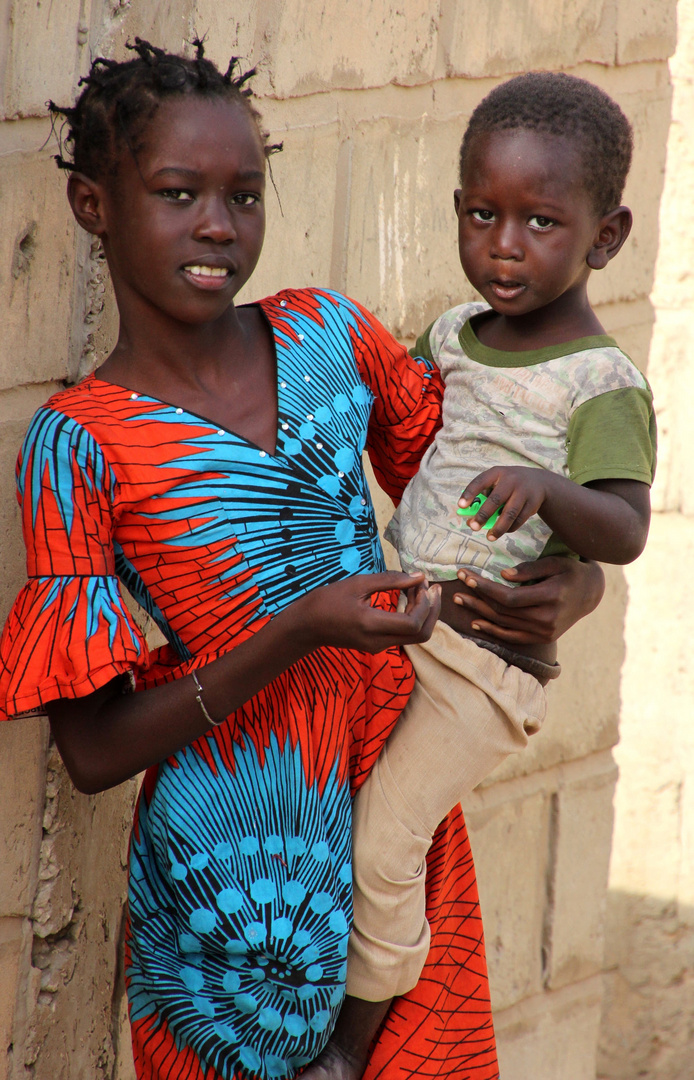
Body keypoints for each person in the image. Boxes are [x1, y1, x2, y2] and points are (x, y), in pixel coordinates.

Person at [0, 44, 605, 1080]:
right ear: (92, 205)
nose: (217, 228)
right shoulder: (81, 443)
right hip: (228, 898)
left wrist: (576, 584)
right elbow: (95, 755)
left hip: (390, 841)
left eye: (243, 194)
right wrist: (297, 629)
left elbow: (487, 519)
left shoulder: (331, 336)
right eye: (177, 193)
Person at [325, 70, 656, 1077]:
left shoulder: (601, 383)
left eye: (541, 222)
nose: (504, 245)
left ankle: (351, 1045)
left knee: (382, 844)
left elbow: (625, 527)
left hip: (481, 665)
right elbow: (401, 415)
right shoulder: (455, 337)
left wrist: (547, 493)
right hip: (402, 623)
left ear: (604, 238)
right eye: (482, 214)